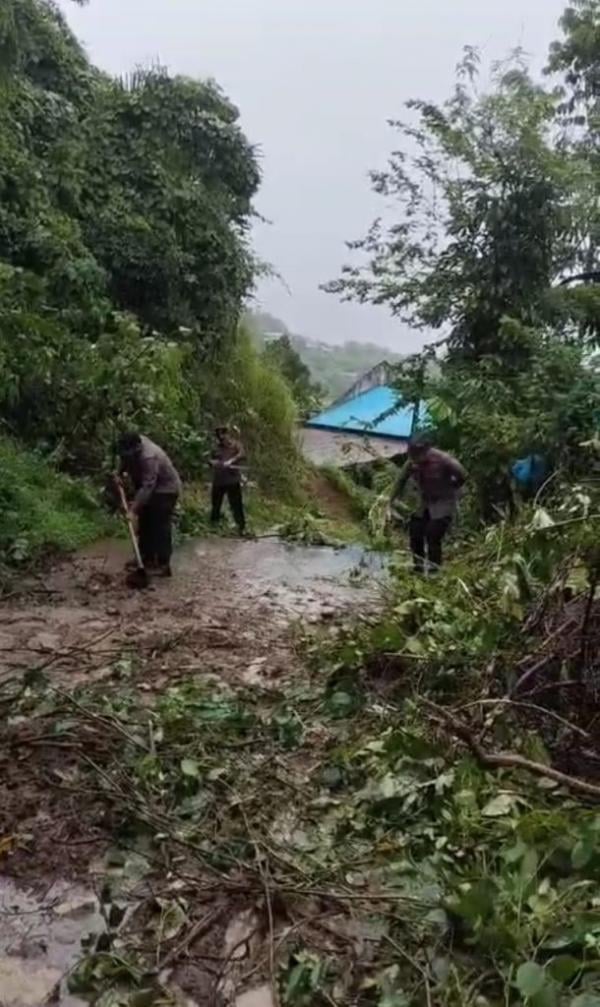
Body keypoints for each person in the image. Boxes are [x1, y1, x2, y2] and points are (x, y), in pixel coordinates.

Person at [391, 437, 466, 573]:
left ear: (426, 452)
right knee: (415, 532)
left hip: (444, 501)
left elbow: (462, 475)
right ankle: (418, 567)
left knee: (432, 534)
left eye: (417, 456)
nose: (415, 460)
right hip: (425, 500)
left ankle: (434, 570)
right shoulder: (412, 462)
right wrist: (390, 499)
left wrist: (451, 488)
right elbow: (401, 480)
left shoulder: (444, 460)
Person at [117, 432, 182, 577]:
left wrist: (133, 510)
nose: (127, 456)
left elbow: (148, 486)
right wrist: (119, 474)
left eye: (130, 453)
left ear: (138, 447)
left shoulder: (149, 456)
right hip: (151, 488)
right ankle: (145, 558)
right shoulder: (131, 445)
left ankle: (164, 565)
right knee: (145, 521)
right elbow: (124, 460)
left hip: (166, 489)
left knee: (160, 525)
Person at [210, 426, 246, 535]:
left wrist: (231, 461)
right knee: (216, 505)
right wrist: (213, 463)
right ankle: (213, 526)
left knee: (236, 505)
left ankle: (241, 527)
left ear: (227, 435)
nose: (221, 438)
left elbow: (242, 454)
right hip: (219, 480)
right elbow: (210, 459)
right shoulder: (215, 447)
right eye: (219, 436)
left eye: (223, 435)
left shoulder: (235, 445)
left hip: (232, 480)